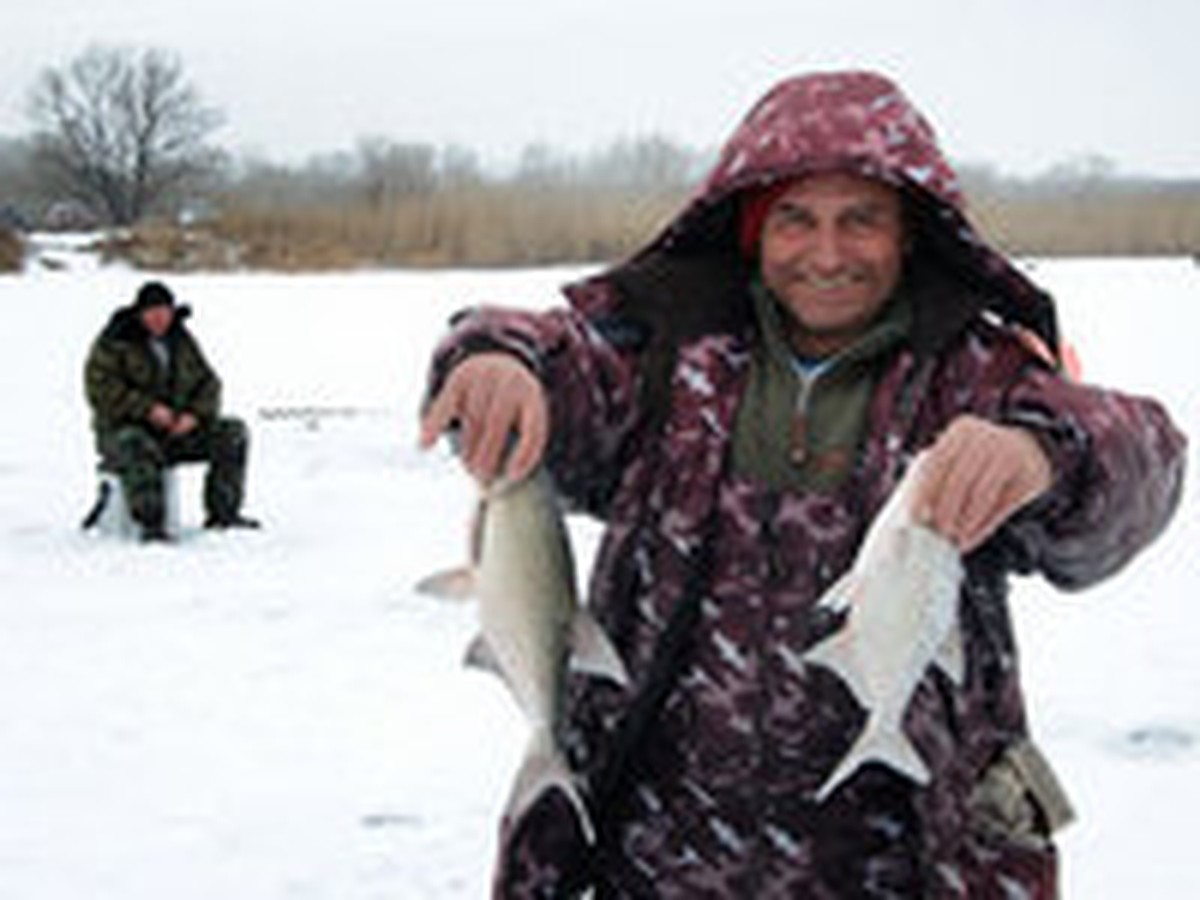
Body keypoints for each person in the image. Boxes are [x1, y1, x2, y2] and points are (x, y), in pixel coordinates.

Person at [419, 71, 1186, 898]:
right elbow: (544, 350)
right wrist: (494, 358)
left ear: (909, 236)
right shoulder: (666, 358)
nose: (826, 254)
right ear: (752, 231)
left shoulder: (979, 373)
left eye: (861, 220)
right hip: (658, 863)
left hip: (905, 865)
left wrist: (1048, 455)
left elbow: (1146, 463)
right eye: (795, 220)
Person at [84, 280, 259, 541]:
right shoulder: (114, 341)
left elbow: (209, 383)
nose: (159, 318)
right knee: (137, 443)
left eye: (164, 311)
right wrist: (147, 410)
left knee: (232, 432)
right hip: (123, 433)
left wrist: (195, 415)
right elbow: (101, 390)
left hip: (174, 431)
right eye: (152, 312)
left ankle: (224, 514)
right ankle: (152, 525)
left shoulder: (181, 340)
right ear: (139, 313)